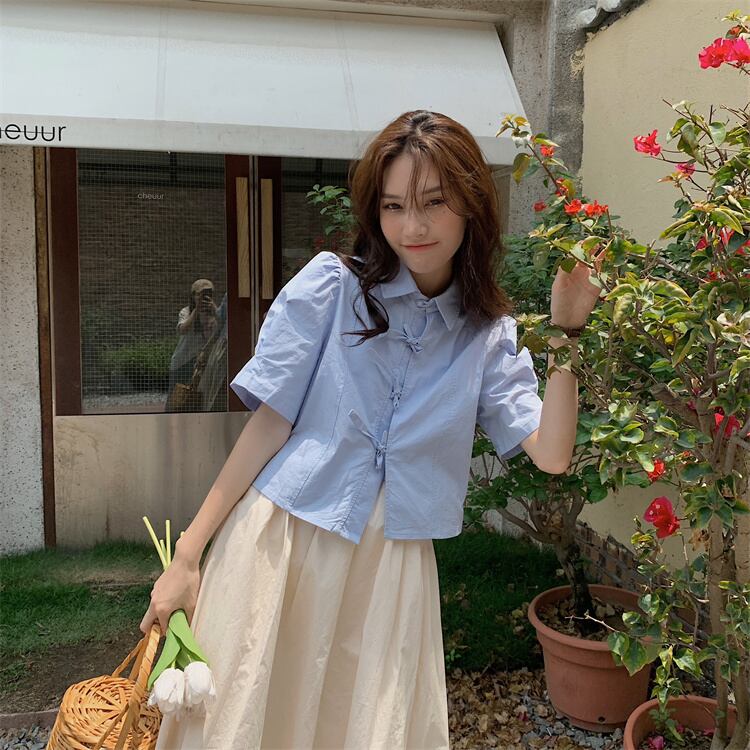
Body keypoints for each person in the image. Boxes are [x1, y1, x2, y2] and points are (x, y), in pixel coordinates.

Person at [141, 110, 604, 750]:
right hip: (282, 543)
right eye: (394, 206)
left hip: (391, 569)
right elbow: (269, 427)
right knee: (249, 721)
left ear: (472, 203)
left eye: (434, 202)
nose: (413, 226)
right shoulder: (332, 289)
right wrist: (188, 556)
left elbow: (551, 454)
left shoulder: (485, 336)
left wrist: (566, 334)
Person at [165, 279, 218, 410]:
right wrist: (196, 311)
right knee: (176, 401)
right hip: (183, 362)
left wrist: (215, 310)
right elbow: (182, 329)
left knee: (198, 401)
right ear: (193, 296)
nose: (205, 298)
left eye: (209, 294)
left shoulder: (215, 313)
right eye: (201, 294)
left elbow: (223, 327)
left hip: (203, 364)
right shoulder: (186, 311)